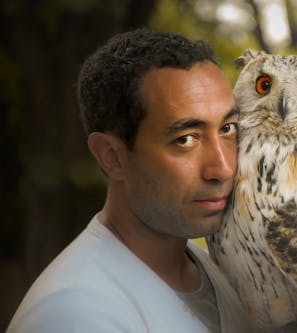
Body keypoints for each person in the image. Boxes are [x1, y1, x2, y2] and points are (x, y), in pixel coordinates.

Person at [7, 28, 255, 333]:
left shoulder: (219, 273)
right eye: (186, 139)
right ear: (112, 156)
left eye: (228, 129)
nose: (224, 168)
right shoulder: (74, 314)